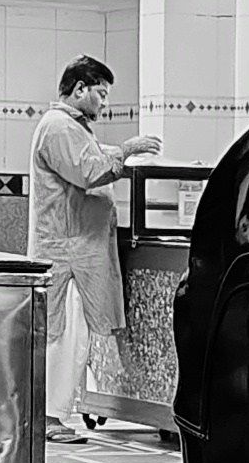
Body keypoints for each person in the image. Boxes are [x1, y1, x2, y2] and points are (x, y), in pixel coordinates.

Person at [29, 58, 158, 440]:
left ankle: (53, 414)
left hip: (77, 250)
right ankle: (49, 417)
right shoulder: (58, 127)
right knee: (63, 336)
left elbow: (92, 159)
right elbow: (88, 171)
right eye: (101, 93)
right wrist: (127, 150)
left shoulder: (73, 128)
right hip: (68, 252)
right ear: (80, 88)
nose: (104, 103)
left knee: (73, 335)